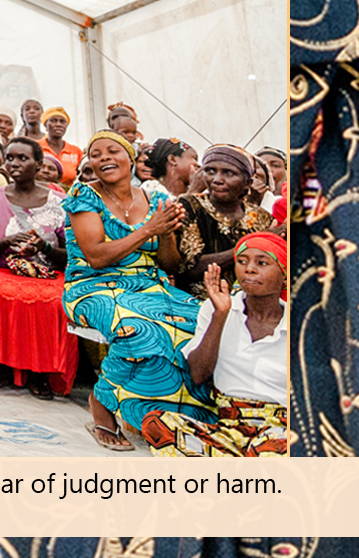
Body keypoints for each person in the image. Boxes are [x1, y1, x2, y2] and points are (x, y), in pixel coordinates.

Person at [61, 130, 212, 450]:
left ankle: (169, 414)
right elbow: (97, 257)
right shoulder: (84, 196)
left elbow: (170, 265)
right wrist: (149, 229)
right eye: (96, 154)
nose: (103, 158)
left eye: (112, 151)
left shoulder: (156, 200)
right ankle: (101, 402)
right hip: (93, 286)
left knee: (202, 322)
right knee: (141, 328)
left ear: (131, 158)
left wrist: (167, 232)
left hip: (150, 285)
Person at [141, 233, 288, 456]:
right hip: (228, 429)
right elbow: (198, 374)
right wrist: (220, 315)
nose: (249, 269)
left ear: (285, 277)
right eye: (242, 261)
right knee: (159, 423)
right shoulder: (216, 307)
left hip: (279, 431)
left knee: (276, 450)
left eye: (262, 263)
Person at [0, 137, 76, 399]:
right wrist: (6, 241)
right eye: (10, 158)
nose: (14, 163)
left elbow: (71, 255)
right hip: (6, 269)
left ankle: (40, 372)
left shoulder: (60, 201)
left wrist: (44, 248)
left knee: (55, 301)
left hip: (48, 272)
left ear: (39, 164)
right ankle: (2, 365)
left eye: (22, 158)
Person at [171, 144, 278, 300]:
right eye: (210, 171)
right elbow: (191, 269)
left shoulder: (261, 217)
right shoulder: (190, 205)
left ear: (247, 182)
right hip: (196, 300)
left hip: (248, 301)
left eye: (229, 173)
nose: (217, 180)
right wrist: (254, 243)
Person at [39, 107, 81, 185]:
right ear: (45, 125)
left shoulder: (76, 151)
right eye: (53, 121)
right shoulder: (35, 147)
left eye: (62, 121)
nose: (58, 124)